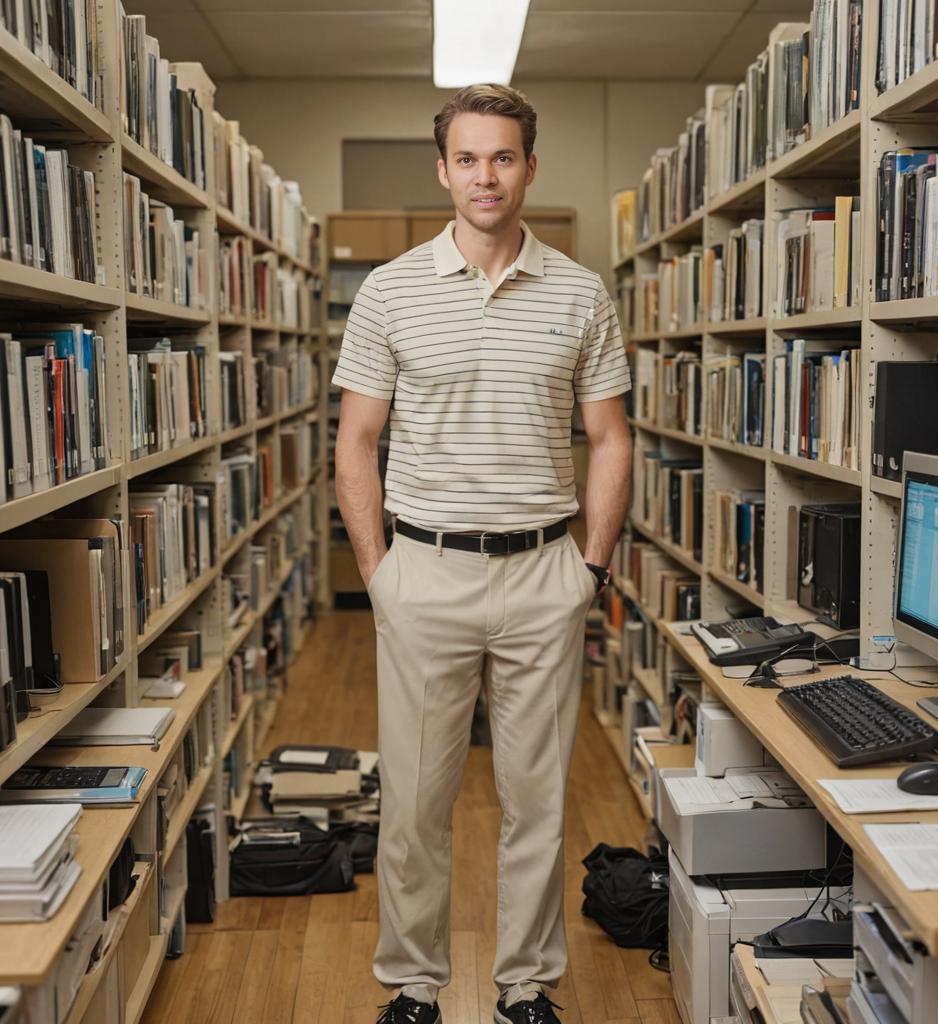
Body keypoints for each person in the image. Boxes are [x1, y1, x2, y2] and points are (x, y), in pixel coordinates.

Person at [333, 83, 632, 1024]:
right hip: (423, 571)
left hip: (546, 571)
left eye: (503, 157)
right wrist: (380, 572)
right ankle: (413, 987)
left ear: (529, 168)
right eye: (468, 158)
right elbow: (355, 441)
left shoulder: (582, 292)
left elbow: (612, 438)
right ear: (444, 170)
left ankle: (524, 986)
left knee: (536, 802)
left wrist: (589, 566)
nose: (486, 176)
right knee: (415, 807)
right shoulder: (389, 291)